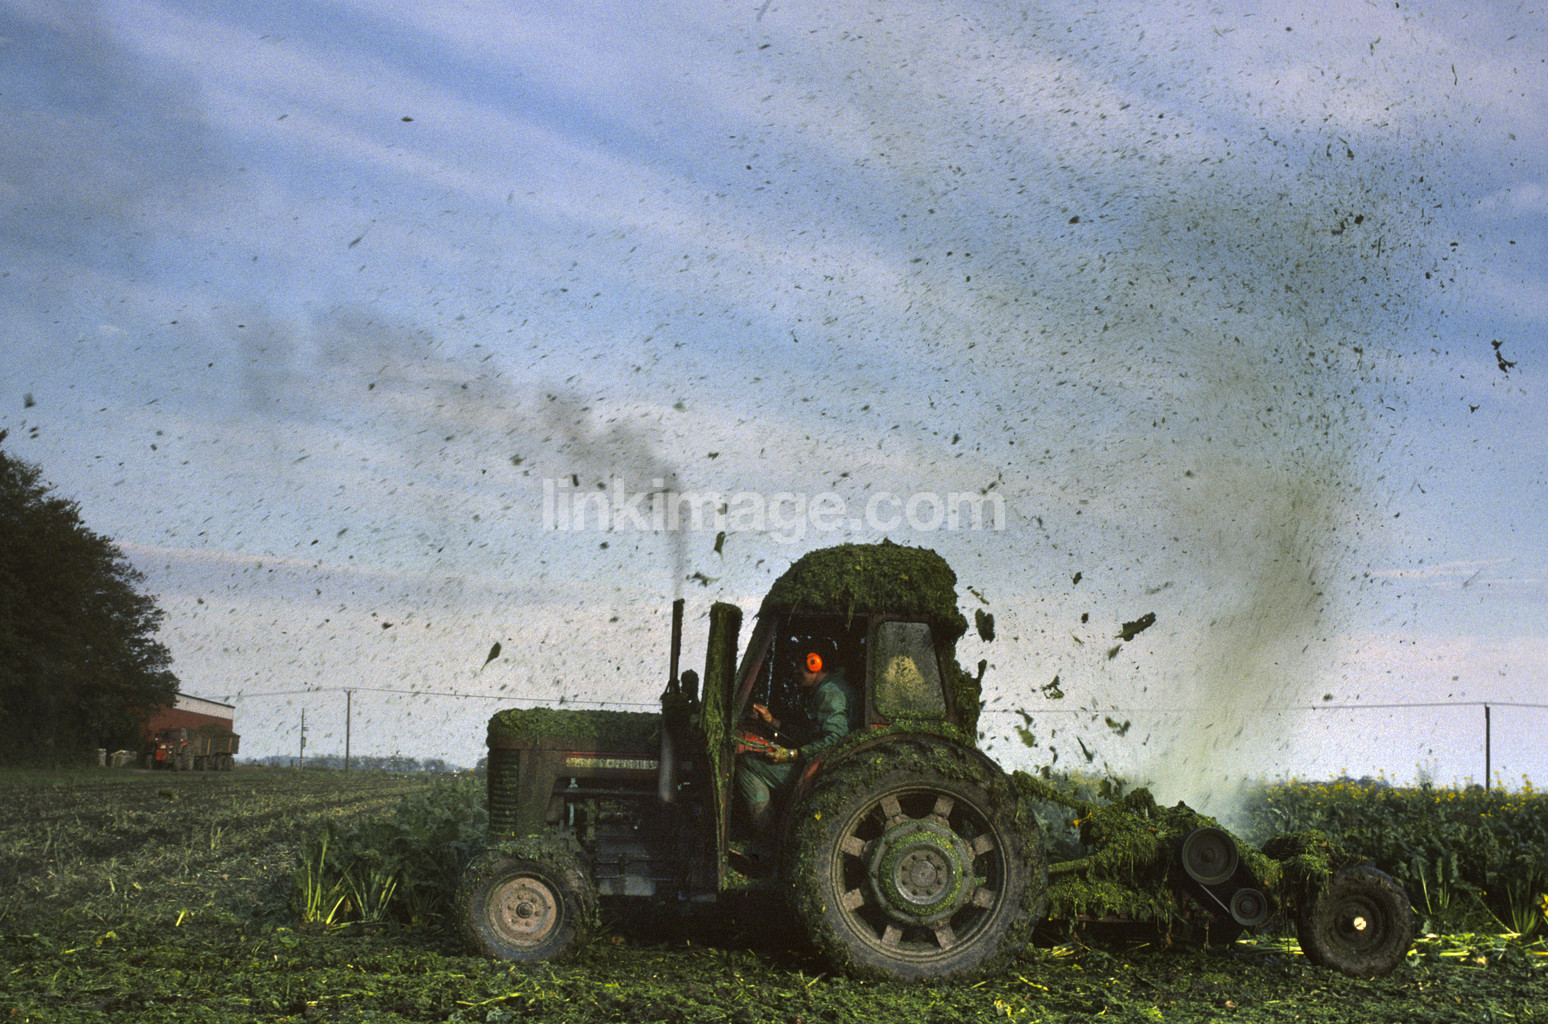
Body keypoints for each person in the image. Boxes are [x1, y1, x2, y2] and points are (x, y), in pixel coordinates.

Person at [736, 638, 859, 842]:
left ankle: (767, 840)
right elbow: (810, 735)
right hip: (824, 769)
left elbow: (835, 740)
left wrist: (792, 755)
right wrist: (772, 721)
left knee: (747, 763)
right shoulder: (828, 689)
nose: (796, 670)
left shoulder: (830, 693)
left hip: (823, 774)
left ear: (814, 663)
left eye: (799, 664)